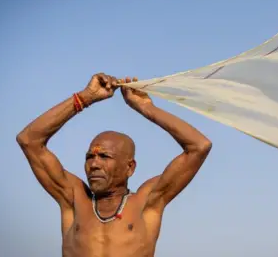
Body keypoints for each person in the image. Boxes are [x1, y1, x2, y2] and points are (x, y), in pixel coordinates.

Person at [16, 73, 212, 257]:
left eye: (104, 157)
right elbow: (29, 140)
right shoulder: (74, 198)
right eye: (89, 157)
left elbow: (199, 146)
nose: (94, 164)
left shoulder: (147, 202)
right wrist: (85, 98)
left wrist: (146, 108)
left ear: (130, 167)